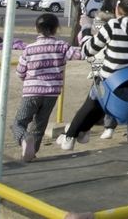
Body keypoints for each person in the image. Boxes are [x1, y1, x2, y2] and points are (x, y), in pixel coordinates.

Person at [56, 0, 128, 151]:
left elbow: (88, 50)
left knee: (93, 99)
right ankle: (83, 132)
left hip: (110, 81)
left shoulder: (113, 26)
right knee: (101, 104)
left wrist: (86, 27)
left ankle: (69, 136)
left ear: (118, 8)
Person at [12, 13, 81, 162]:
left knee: (18, 123)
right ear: (56, 28)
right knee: (39, 125)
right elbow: (80, 54)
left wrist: (27, 78)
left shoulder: (29, 49)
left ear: (36, 29)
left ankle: (24, 138)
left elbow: (20, 72)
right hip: (51, 94)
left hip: (32, 93)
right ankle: (31, 153)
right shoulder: (61, 46)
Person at [92, 0, 128, 144]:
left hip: (103, 65)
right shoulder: (118, 24)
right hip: (119, 65)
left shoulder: (99, 21)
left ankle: (109, 127)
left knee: (109, 96)